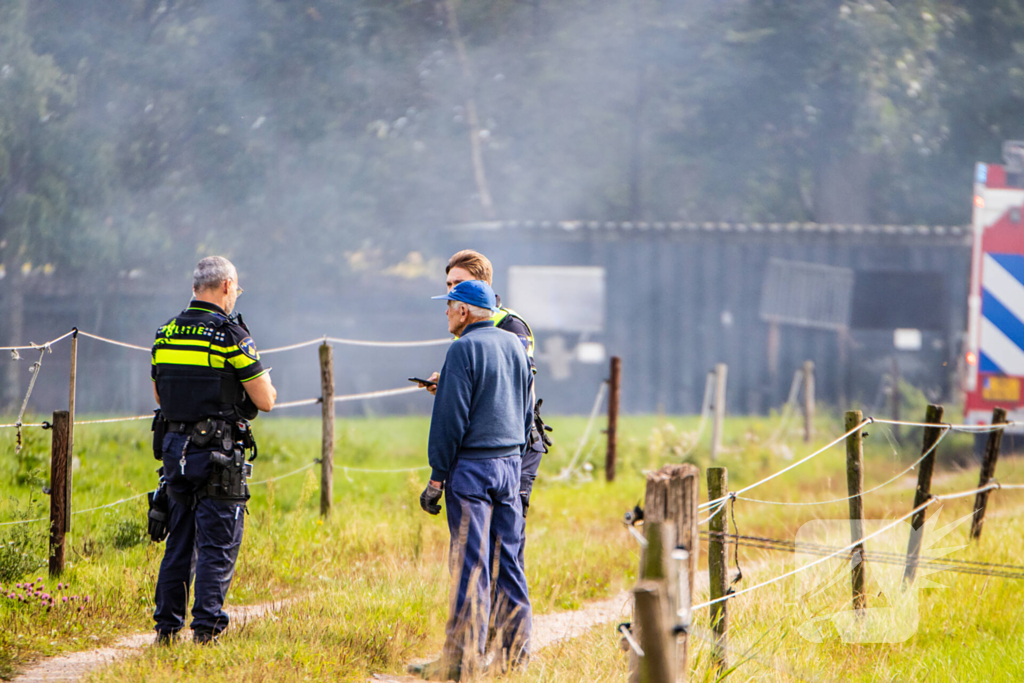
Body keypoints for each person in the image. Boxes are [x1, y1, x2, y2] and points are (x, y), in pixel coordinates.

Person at [150, 256, 277, 644]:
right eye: (235, 290)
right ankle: (206, 630)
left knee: (179, 542)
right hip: (219, 455)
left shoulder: (165, 333)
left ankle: (167, 630)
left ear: (195, 287)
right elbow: (265, 400)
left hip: (174, 451)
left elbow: (159, 393)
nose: (235, 296)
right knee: (218, 544)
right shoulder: (231, 336)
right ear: (226, 286)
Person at [412, 280, 533, 681]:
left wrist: (436, 479)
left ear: (464, 311)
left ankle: (461, 663)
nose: (445, 312)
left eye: (448, 305)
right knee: (510, 560)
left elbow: (449, 422)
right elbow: (527, 410)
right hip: (509, 466)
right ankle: (516, 657)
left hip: (473, 470)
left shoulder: (461, 349)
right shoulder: (515, 346)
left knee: (471, 565)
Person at [418, 250, 551, 518]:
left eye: (460, 283)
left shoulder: (511, 326)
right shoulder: (464, 324)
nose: (453, 290)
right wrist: (448, 386)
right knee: (480, 541)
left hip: (514, 445)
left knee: (505, 543)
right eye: (449, 284)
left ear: (484, 285)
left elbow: (522, 387)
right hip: (482, 450)